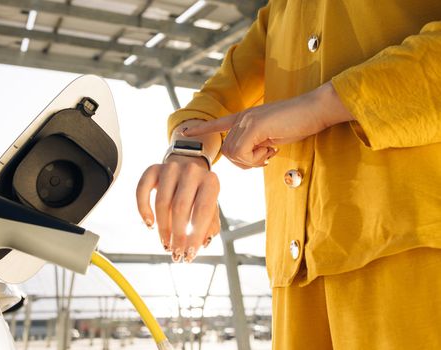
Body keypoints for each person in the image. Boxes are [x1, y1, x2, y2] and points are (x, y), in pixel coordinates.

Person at [136, 1, 441, 348]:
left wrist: (321, 107)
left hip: (415, 258)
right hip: (296, 280)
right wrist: (189, 155)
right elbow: (219, 97)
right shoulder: (281, 11)